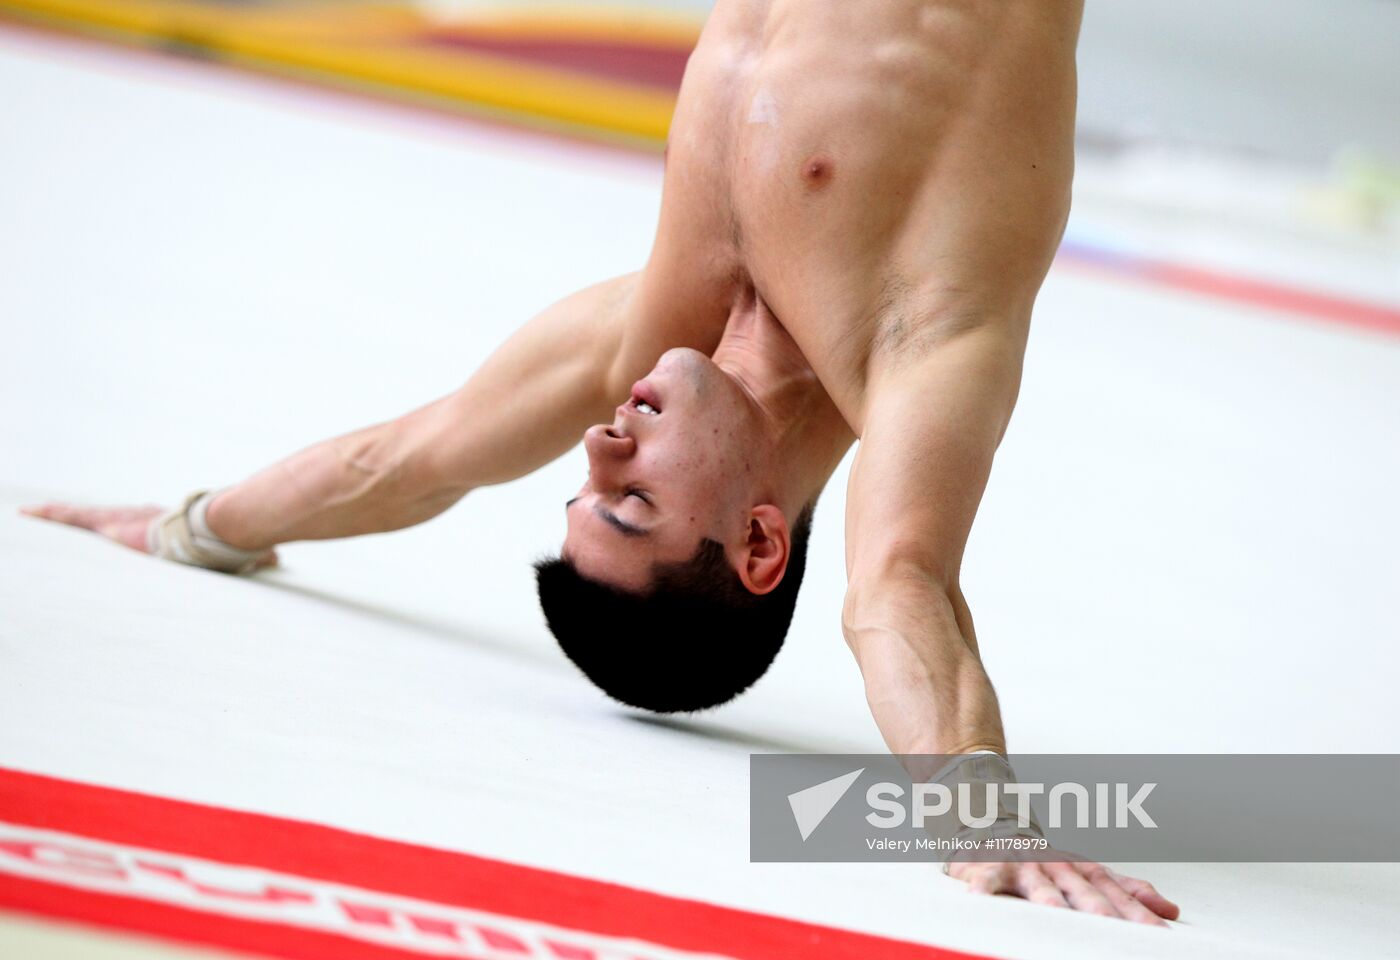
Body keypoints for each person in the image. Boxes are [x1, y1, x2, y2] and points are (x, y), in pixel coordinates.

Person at [23, 0, 1180, 925]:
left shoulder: (652, 340)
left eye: (583, 484)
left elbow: (411, 460)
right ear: (761, 541)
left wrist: (193, 527)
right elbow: (898, 590)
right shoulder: (915, 343)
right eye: (630, 502)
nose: (598, 442)